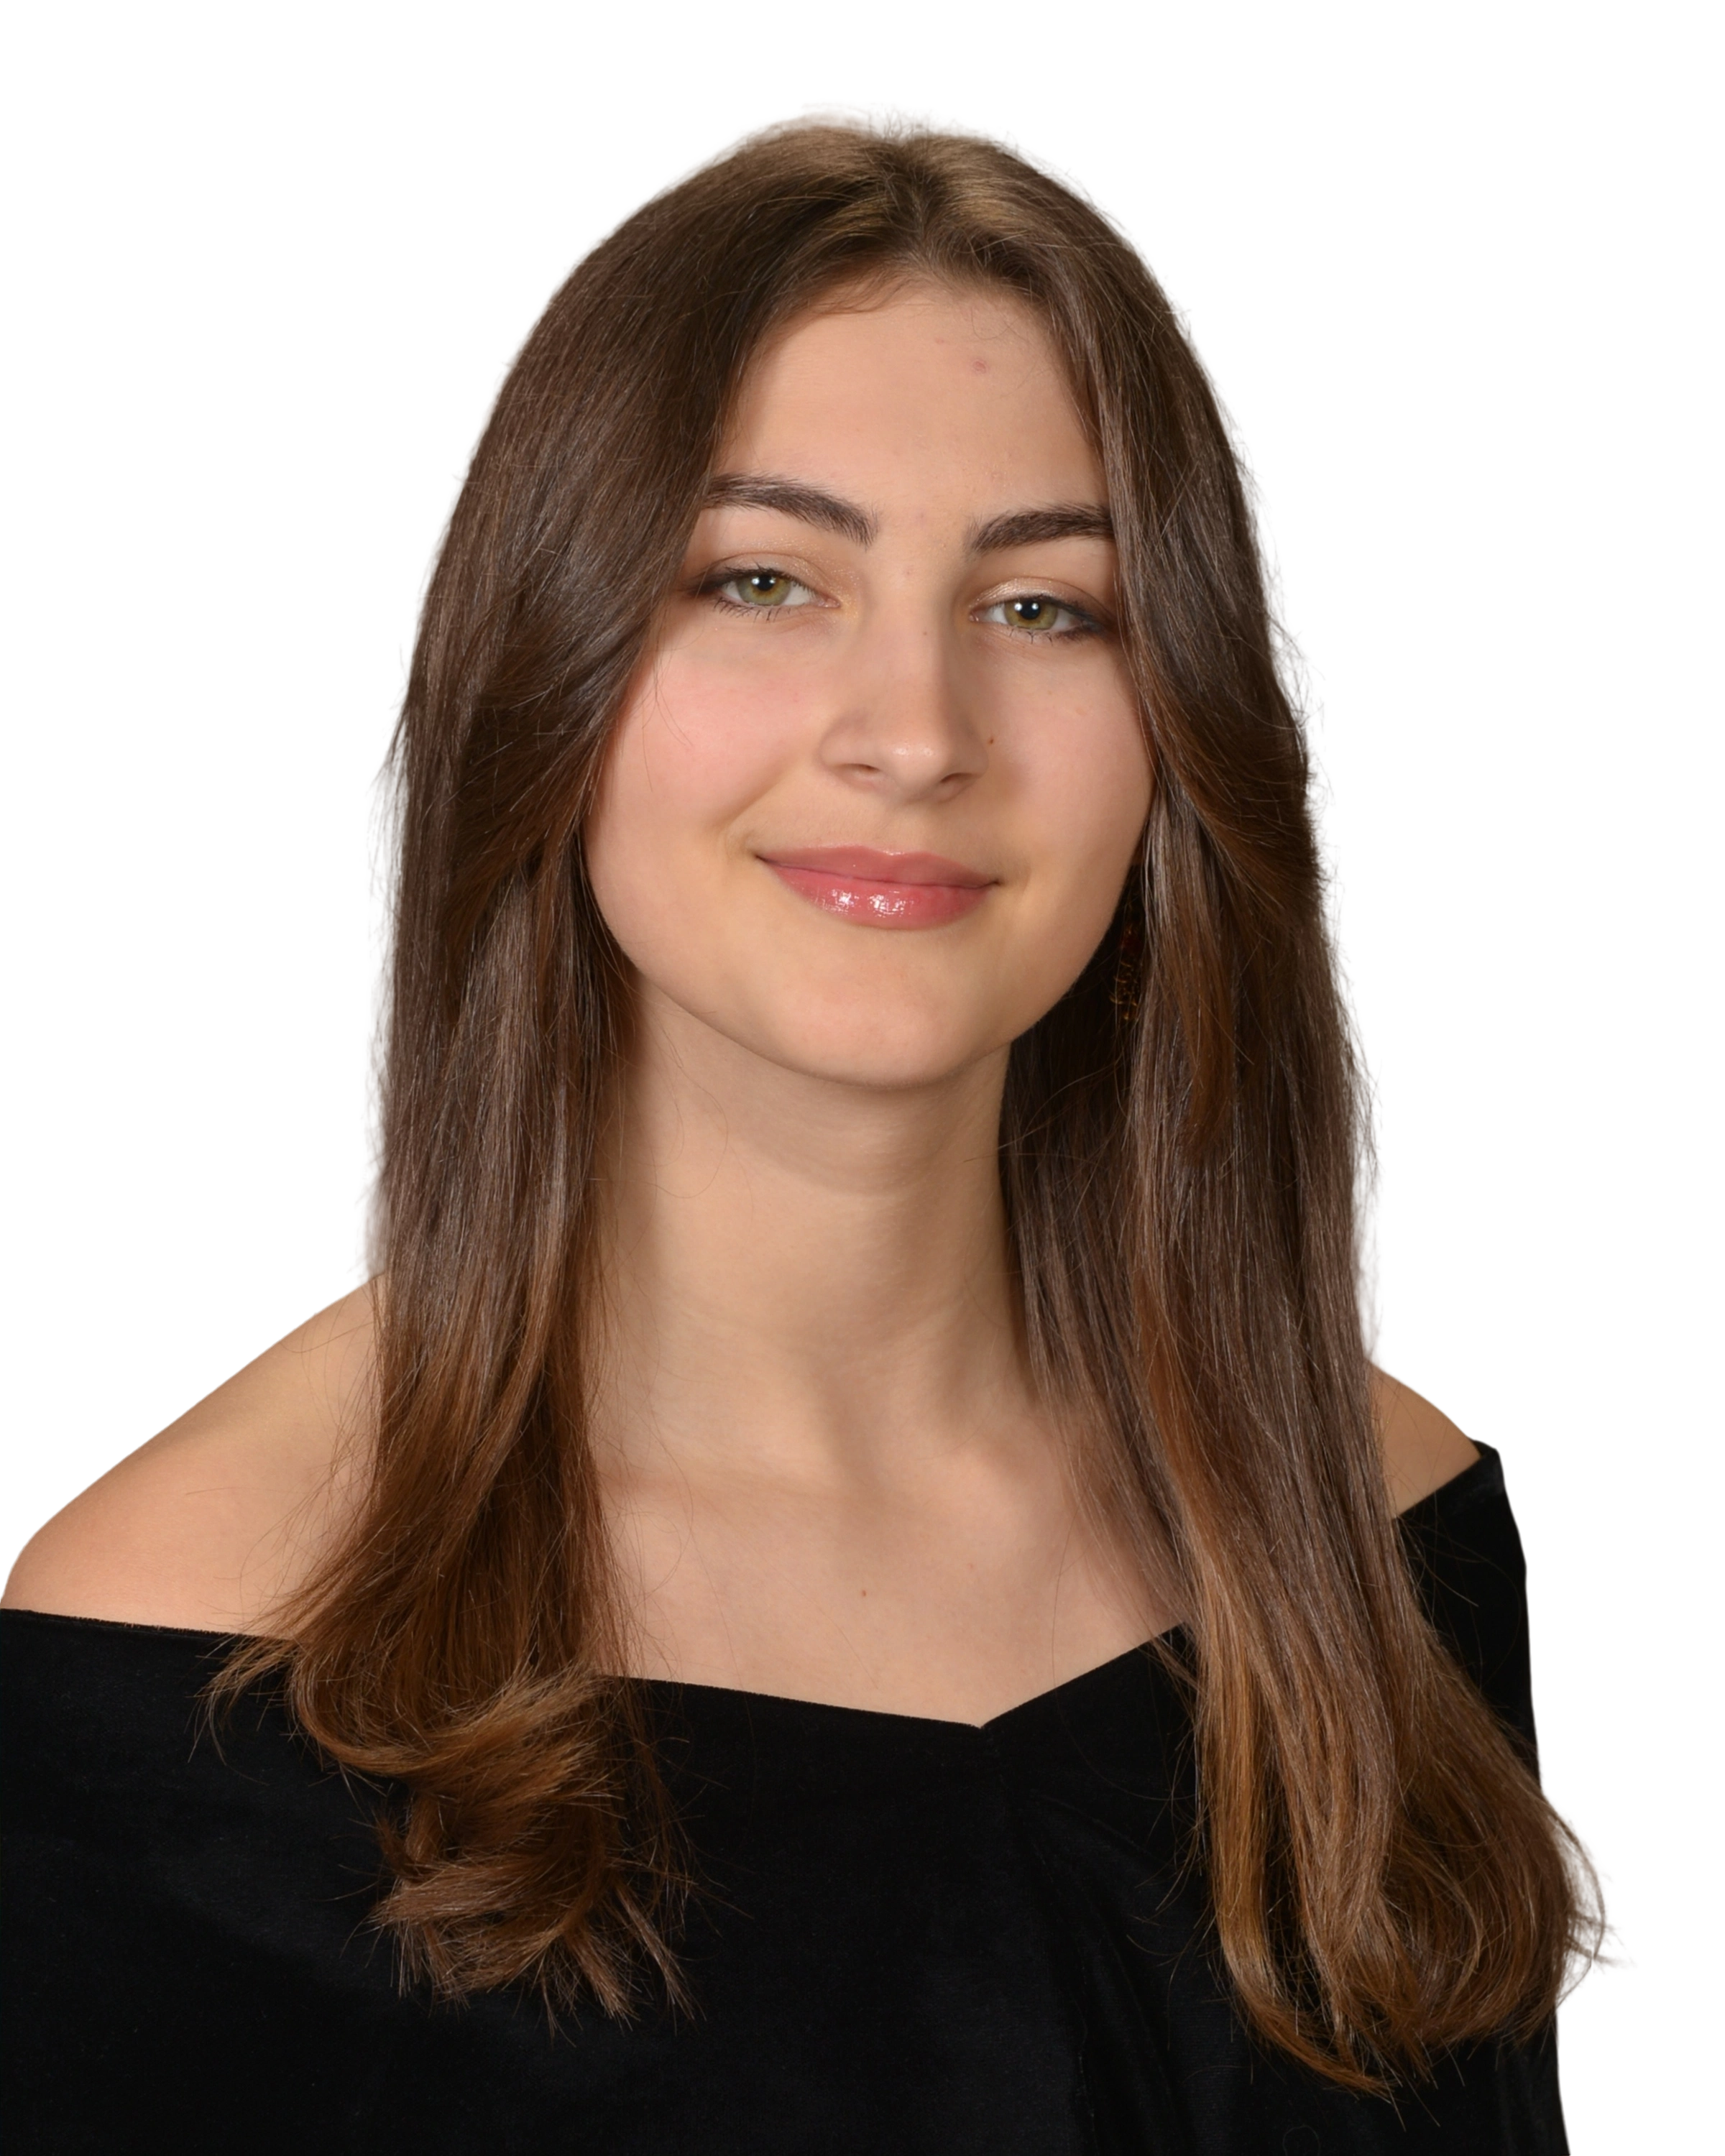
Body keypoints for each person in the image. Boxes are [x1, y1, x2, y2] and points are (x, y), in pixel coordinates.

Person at [2, 100, 1624, 2152]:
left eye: (1044, 606)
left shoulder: (1361, 1515)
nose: (915, 735)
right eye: (764, 579)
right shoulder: (183, 1654)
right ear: (552, 672)